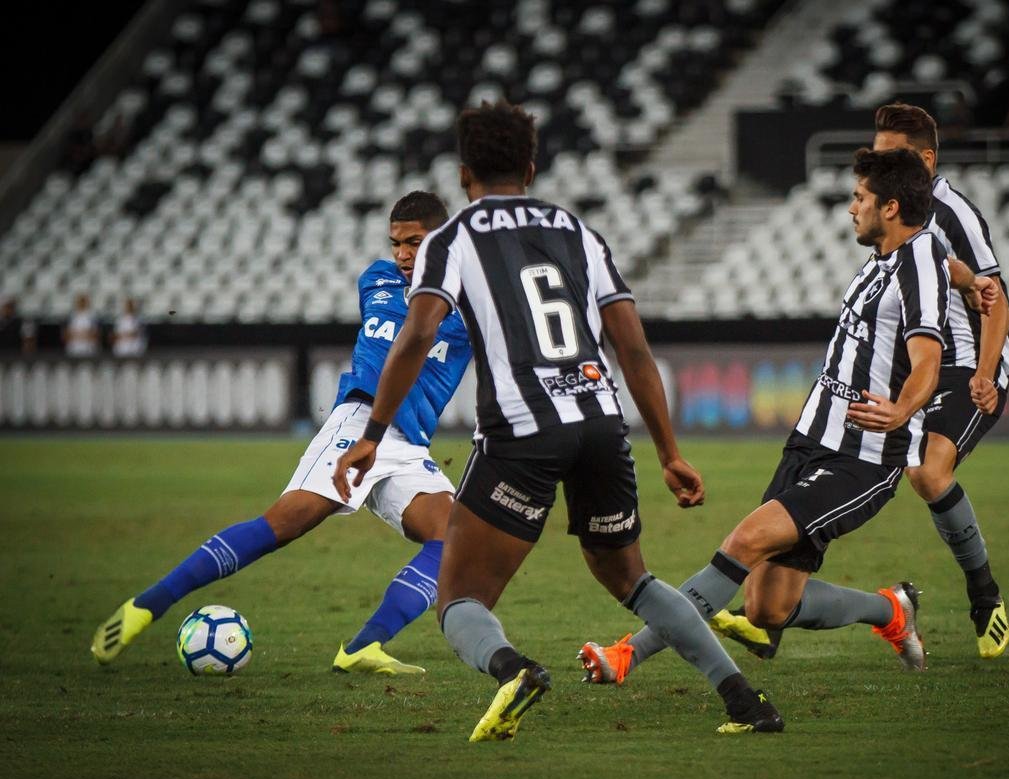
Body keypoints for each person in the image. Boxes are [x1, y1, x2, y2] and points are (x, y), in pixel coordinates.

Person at [333, 101, 783, 741]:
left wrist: (373, 435)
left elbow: (417, 334)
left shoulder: (450, 240)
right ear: (531, 168)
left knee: (458, 594)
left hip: (522, 428)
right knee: (631, 578)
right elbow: (633, 348)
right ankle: (745, 700)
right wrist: (669, 452)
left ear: (464, 175)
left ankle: (512, 670)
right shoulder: (578, 232)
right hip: (601, 419)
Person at [579, 147, 949, 685]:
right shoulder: (889, 258)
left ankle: (627, 655)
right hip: (810, 440)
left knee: (745, 541)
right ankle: (891, 610)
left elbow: (927, 359)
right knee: (768, 607)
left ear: (890, 207)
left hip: (863, 456)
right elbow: (950, 271)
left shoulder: (919, 263)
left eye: (860, 198)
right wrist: (972, 282)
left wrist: (901, 410)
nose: (852, 208)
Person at [91, 192, 473, 675]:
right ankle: (147, 605)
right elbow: (404, 341)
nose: (401, 254)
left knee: (454, 539)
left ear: (441, 240)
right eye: (396, 243)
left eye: (414, 242)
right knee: (284, 523)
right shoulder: (377, 281)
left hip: (409, 441)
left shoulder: (472, 304)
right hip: (360, 423)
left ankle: (363, 646)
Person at [709, 103, 1009, 662]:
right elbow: (939, 264)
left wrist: (986, 373)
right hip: (909, 363)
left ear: (926, 159)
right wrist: (963, 278)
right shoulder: (900, 227)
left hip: (965, 364)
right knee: (769, 595)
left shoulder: (954, 213)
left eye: (892, 154)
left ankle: (984, 593)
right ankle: (809, 612)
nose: (879, 163)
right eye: (876, 152)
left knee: (927, 471)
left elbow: (1000, 305)